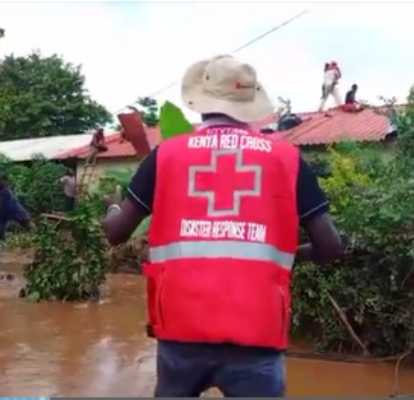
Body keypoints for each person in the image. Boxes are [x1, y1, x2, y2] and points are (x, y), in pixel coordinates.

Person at [101, 54, 345, 397]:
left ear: (201, 101)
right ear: (249, 104)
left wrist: (111, 207)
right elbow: (331, 247)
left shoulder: (167, 154)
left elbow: (115, 232)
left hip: (180, 329)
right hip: (258, 329)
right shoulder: (287, 159)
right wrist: (292, 255)